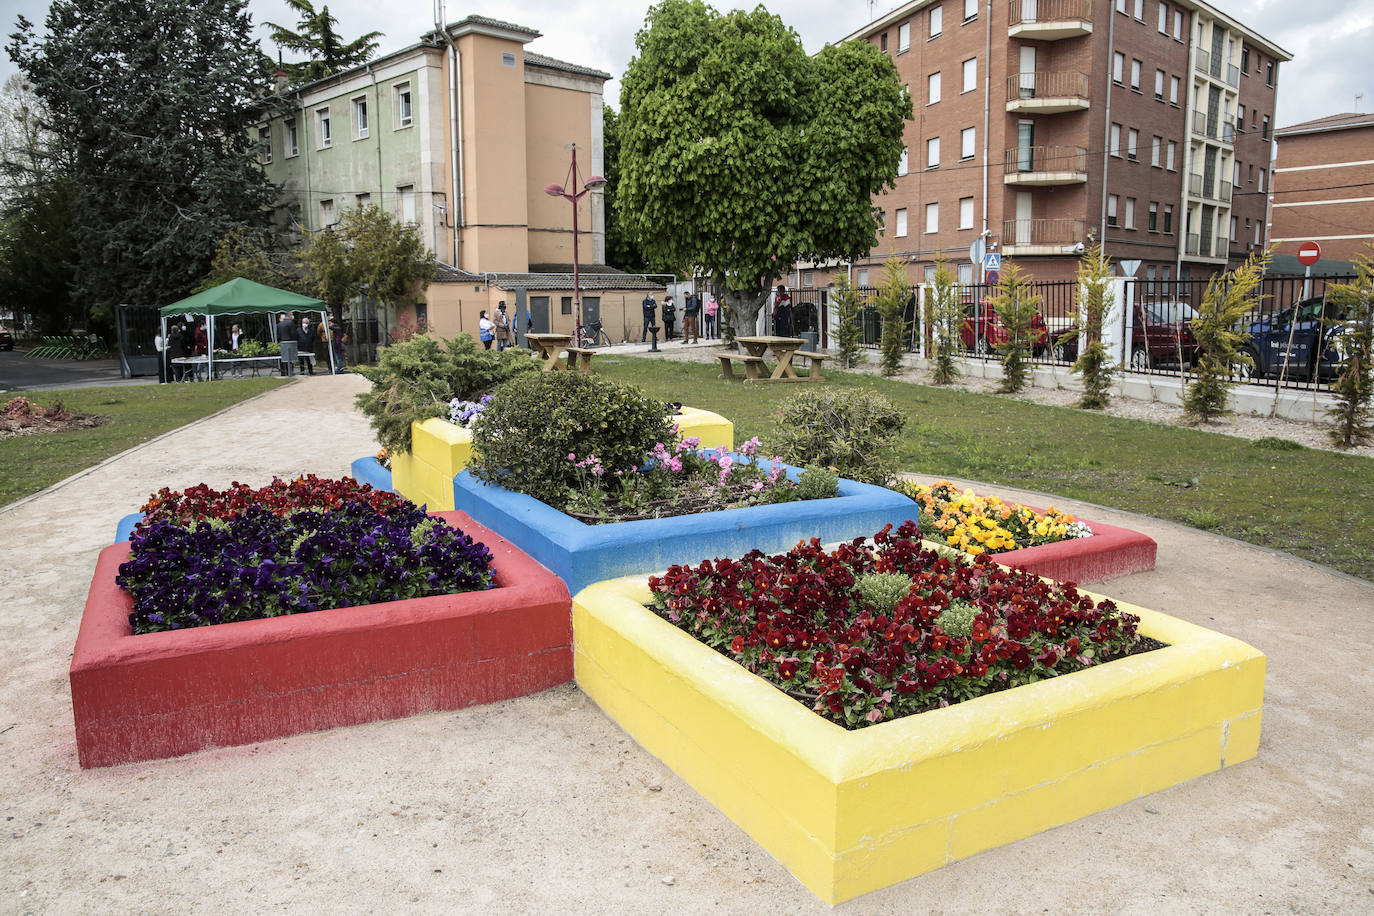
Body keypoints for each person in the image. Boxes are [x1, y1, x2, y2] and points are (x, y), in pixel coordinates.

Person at [275, 312, 297, 376]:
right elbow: (293, 333)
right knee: (290, 358)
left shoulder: (279, 325)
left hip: (282, 342)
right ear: (289, 316)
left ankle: (283, 372)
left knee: (283, 358)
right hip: (290, 342)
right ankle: (290, 372)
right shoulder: (291, 323)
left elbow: (278, 335)